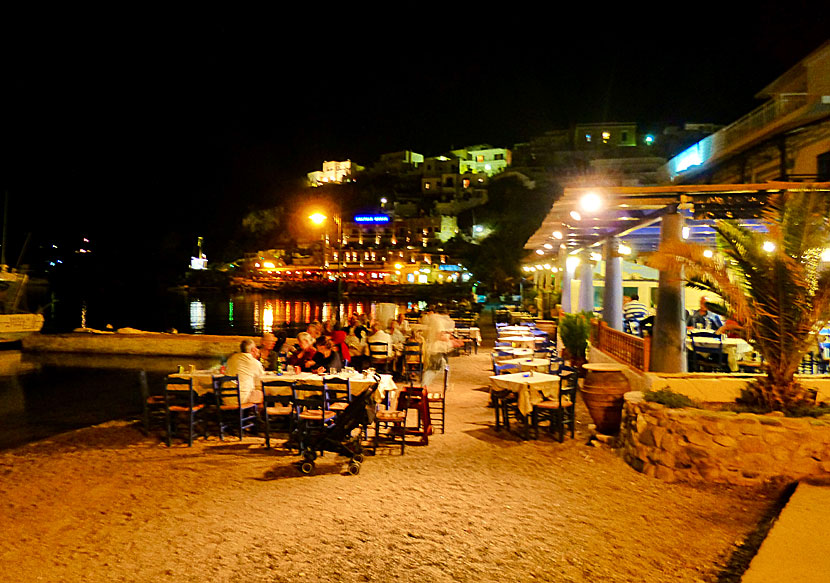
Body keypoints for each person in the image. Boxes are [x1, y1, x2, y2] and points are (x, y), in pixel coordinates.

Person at [225, 338, 265, 405]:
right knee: (261, 393)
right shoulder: (254, 362)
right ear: (253, 350)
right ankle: (257, 413)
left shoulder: (232, 358)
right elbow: (261, 377)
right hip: (243, 399)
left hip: (226, 398)